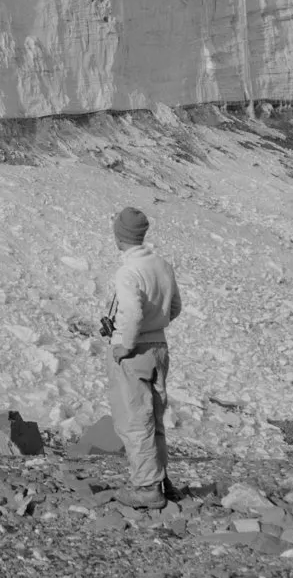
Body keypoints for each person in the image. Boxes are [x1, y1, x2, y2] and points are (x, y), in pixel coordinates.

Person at [104, 207, 182, 509]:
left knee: (135, 419)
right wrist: (155, 325)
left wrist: (125, 344)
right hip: (159, 348)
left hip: (134, 352)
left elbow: (133, 313)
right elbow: (174, 307)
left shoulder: (128, 271)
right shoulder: (161, 265)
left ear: (118, 235)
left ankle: (146, 488)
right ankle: (160, 479)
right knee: (155, 417)